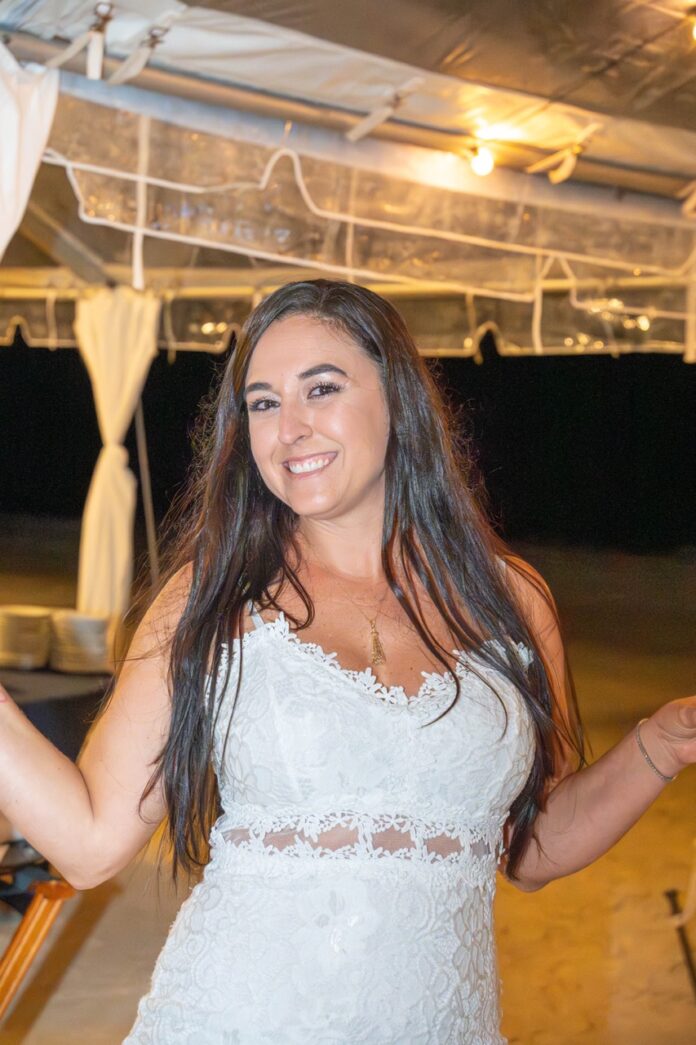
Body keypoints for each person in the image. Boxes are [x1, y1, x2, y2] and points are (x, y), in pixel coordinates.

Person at [0, 279, 694, 1044]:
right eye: (263, 403)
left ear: (397, 399)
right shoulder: (214, 596)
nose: (288, 427)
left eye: (319, 389)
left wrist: (659, 745)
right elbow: (93, 839)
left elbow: (531, 847)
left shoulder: (512, 600)